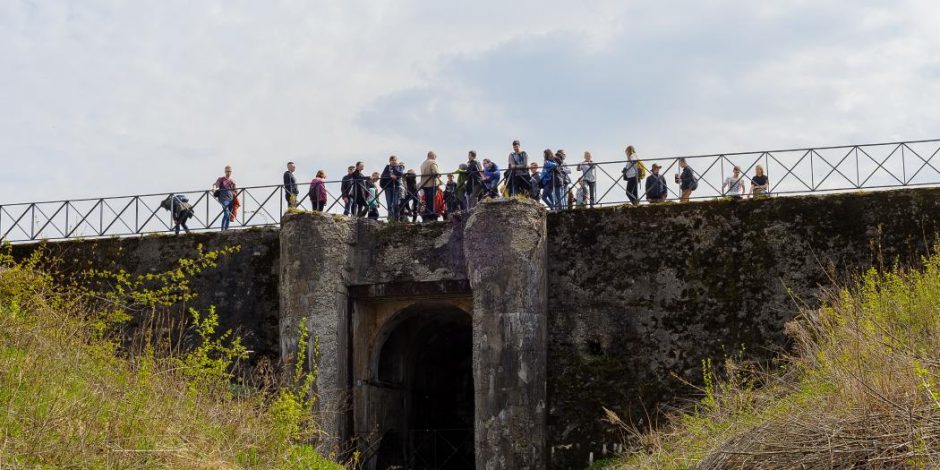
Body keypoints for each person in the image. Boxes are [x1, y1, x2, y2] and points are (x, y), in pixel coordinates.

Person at [213, 165, 237, 230]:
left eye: (230, 171)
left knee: (229, 215)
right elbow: (216, 185)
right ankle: (222, 229)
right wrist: (214, 189)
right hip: (223, 199)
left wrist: (235, 197)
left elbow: (235, 191)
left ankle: (226, 229)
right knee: (226, 213)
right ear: (225, 171)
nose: (229, 172)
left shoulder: (232, 181)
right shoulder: (221, 179)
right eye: (227, 171)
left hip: (231, 199)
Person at [381, 155, 404, 220]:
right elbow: (383, 175)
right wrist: (390, 175)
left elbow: (400, 173)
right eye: (392, 160)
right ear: (389, 161)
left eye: (395, 160)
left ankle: (396, 218)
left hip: (396, 187)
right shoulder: (387, 167)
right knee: (389, 204)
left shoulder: (399, 167)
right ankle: (391, 218)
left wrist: (395, 168)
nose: (393, 162)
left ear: (397, 161)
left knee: (396, 203)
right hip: (388, 187)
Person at [419, 151, 440, 221]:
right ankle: (431, 214)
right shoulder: (432, 162)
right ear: (432, 156)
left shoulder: (423, 163)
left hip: (424, 184)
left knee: (427, 200)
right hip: (431, 183)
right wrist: (439, 175)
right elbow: (436, 172)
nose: (435, 158)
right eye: (435, 157)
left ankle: (427, 213)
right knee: (431, 200)